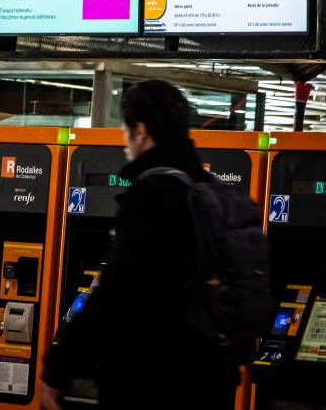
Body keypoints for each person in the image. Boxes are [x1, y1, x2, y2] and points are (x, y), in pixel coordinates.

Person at [40, 79, 241, 410]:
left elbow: (116, 289)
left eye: (124, 133)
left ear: (141, 131)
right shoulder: (214, 191)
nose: (125, 146)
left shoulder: (154, 194)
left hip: (152, 381)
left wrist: (59, 368)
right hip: (212, 380)